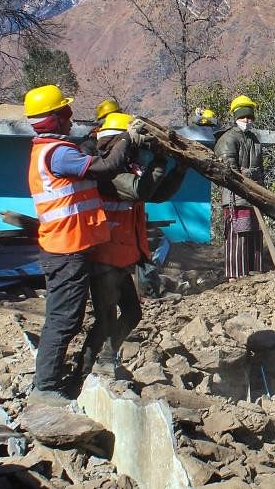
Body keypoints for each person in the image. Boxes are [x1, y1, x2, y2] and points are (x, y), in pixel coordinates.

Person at [24, 84, 139, 405]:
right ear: (55, 118)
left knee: (72, 317)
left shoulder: (52, 149)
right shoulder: (57, 153)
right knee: (63, 319)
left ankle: (61, 379)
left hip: (71, 247)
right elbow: (104, 168)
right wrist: (126, 140)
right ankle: (45, 387)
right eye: (66, 113)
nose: (70, 119)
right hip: (65, 250)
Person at [81, 112, 187, 377]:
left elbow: (157, 194)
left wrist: (178, 168)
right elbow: (140, 190)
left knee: (131, 314)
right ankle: (84, 368)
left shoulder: (127, 169)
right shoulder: (105, 171)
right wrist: (160, 162)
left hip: (121, 256)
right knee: (105, 320)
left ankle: (104, 359)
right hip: (103, 257)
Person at [215, 95, 265, 280]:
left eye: (250, 117)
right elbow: (229, 171)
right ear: (236, 117)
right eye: (243, 117)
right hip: (235, 197)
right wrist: (248, 174)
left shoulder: (254, 139)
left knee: (255, 233)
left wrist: (256, 182)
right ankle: (235, 275)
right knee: (238, 234)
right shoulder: (228, 139)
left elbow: (260, 169)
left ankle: (255, 271)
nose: (247, 121)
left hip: (255, 194)